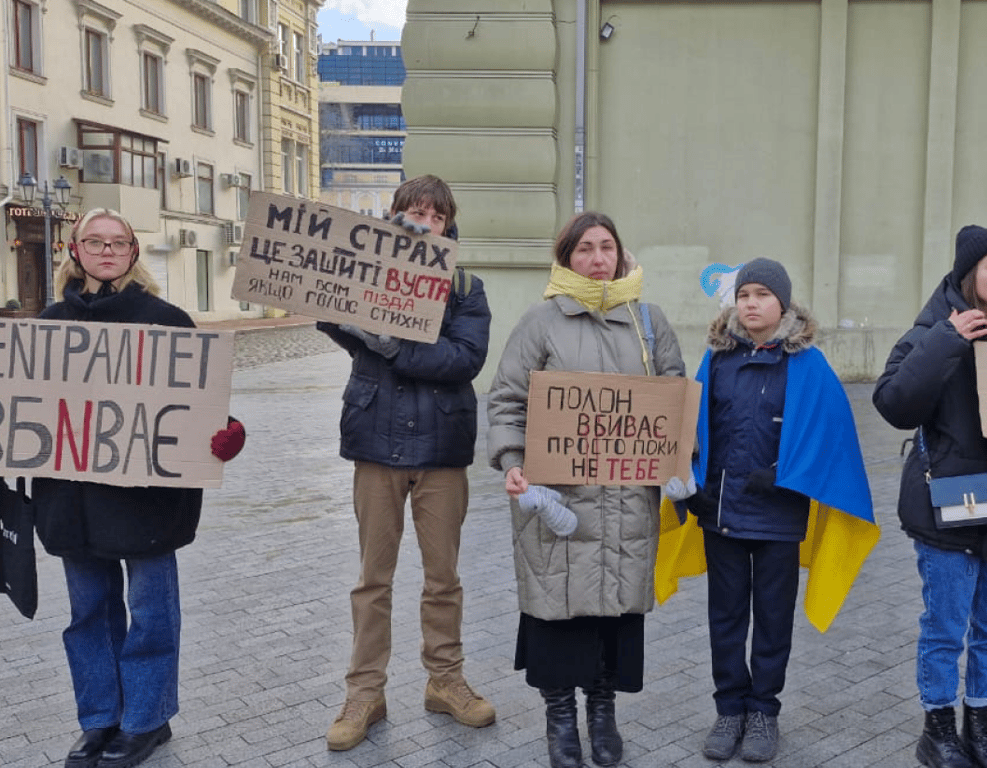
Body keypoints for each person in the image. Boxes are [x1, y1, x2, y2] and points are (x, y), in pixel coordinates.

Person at [32, 208, 246, 768]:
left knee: (151, 615)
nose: (106, 250)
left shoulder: (167, 321)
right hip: (71, 501)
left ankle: (146, 721)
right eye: (94, 241)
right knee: (88, 616)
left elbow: (207, 410)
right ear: (74, 250)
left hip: (147, 502)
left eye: (118, 242)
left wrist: (225, 435)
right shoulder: (48, 326)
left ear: (132, 252)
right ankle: (99, 720)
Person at [487, 211, 686, 768]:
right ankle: (559, 717)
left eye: (607, 248)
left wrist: (678, 454)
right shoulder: (540, 322)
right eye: (585, 250)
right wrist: (511, 460)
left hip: (627, 501)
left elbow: (673, 399)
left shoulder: (649, 322)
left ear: (621, 255)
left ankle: (602, 711)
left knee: (614, 614)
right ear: (566, 258)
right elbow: (507, 400)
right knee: (558, 610)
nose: (598, 260)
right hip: (558, 501)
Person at [873, 227, 987, 768]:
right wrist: (947, 340)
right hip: (955, 497)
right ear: (968, 274)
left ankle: (980, 728)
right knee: (945, 626)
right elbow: (895, 405)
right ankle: (937, 732)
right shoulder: (931, 332)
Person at [316, 175, 494, 751]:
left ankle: (445, 680)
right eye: (411, 212)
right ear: (393, 217)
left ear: (448, 225)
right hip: (376, 441)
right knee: (374, 580)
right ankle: (364, 693)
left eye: (434, 216)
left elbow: (463, 359)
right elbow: (334, 319)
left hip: (442, 448)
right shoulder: (363, 269)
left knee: (443, 578)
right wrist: (339, 308)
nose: (422, 222)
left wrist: (393, 345)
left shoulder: (466, 288)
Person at [680, 258, 876, 764]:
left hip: (778, 517)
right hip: (721, 513)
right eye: (744, 295)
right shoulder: (717, 360)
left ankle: (764, 711)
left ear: (783, 304)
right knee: (724, 617)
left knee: (771, 619)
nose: (751, 304)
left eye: (763, 295)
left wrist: (792, 472)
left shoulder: (807, 363)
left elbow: (831, 432)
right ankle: (729, 710)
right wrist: (692, 484)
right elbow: (691, 426)